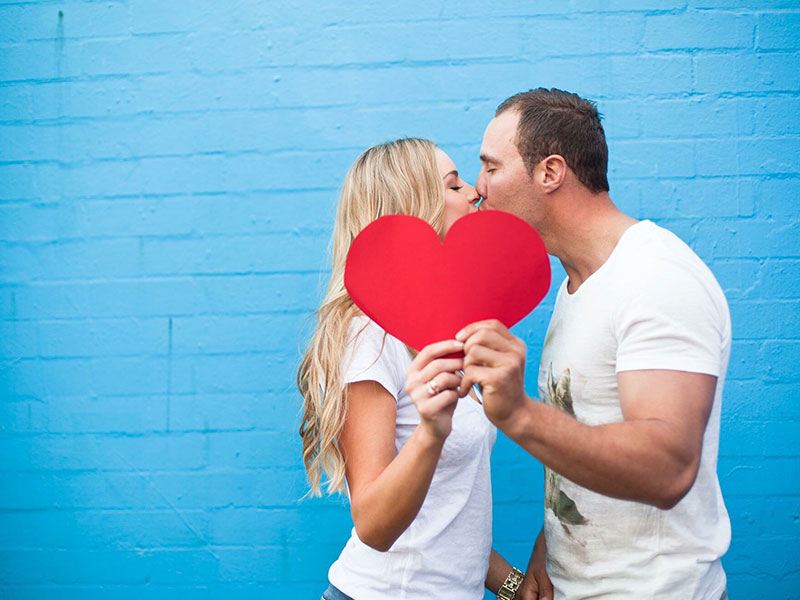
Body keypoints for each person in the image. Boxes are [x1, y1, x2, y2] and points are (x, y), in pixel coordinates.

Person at [458, 89, 731, 599]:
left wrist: (517, 413)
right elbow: (589, 434)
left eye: (491, 168)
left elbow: (668, 466)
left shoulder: (656, 278)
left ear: (550, 171)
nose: (479, 189)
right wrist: (551, 539)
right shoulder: (576, 286)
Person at [297, 138, 525, 599]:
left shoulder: (441, 331)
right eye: (455, 185)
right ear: (415, 207)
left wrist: (515, 588)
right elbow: (374, 525)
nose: (473, 193)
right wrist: (430, 433)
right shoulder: (371, 336)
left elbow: (449, 518)